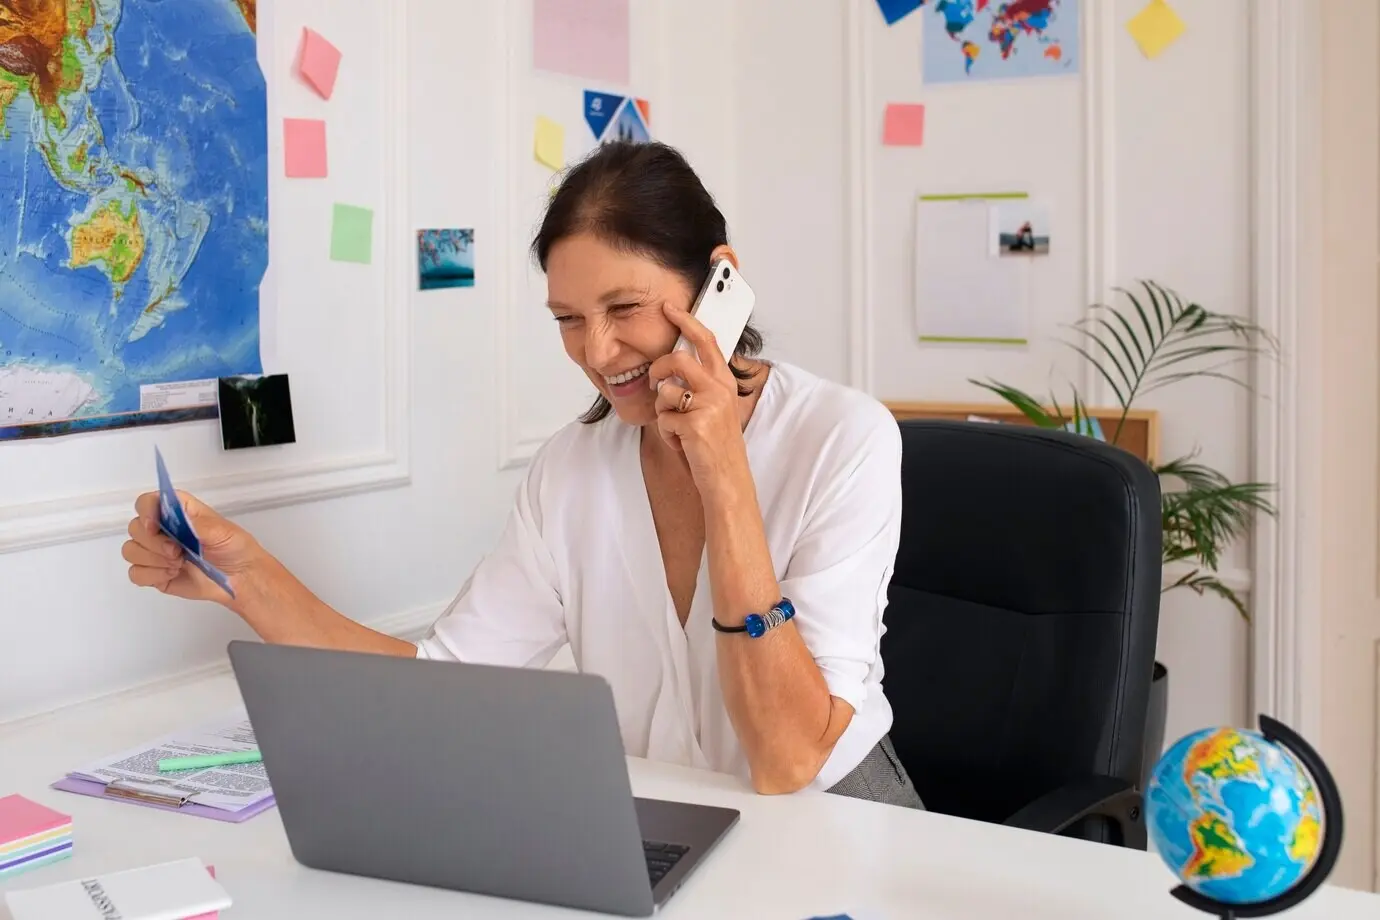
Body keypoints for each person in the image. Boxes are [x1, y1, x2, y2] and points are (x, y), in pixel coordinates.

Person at [121, 141, 923, 809]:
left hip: (834, 822)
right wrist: (245, 575)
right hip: (673, 823)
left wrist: (724, 477)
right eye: (569, 320)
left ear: (718, 284)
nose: (598, 353)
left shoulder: (843, 438)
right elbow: (444, 692)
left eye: (625, 309)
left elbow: (787, 762)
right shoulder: (572, 471)